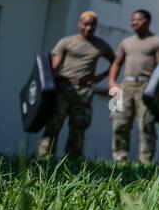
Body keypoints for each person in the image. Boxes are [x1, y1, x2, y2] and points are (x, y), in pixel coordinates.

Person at [37, 10, 114, 159]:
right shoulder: (66, 42)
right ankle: (44, 160)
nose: (88, 28)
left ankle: (73, 161)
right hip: (63, 88)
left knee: (78, 128)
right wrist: (48, 84)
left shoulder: (101, 45)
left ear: (96, 26)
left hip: (84, 92)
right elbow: (54, 66)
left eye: (92, 25)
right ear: (79, 24)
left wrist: (100, 77)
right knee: (53, 125)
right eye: (85, 24)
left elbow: (115, 61)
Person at [107, 9, 159, 163]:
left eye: (138, 20)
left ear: (147, 21)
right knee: (118, 121)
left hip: (146, 87)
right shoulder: (125, 42)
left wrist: (158, 90)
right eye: (132, 19)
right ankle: (120, 159)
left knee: (146, 124)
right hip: (124, 86)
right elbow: (116, 63)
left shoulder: (158, 42)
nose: (133, 22)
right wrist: (112, 83)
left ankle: (145, 161)